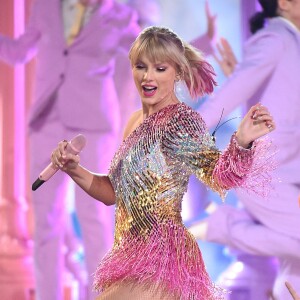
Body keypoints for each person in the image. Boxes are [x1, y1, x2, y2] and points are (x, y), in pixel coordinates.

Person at [50, 26, 276, 299]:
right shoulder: (135, 121)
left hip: (163, 259)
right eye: (141, 66)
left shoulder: (181, 122)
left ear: (177, 72)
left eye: (160, 68)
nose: (147, 76)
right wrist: (73, 168)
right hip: (130, 257)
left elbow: (218, 176)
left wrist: (241, 141)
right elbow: (113, 193)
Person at [0, 0, 140, 299]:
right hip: (47, 123)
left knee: (94, 220)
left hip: (92, 128)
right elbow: (19, 52)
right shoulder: (45, 7)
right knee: (46, 223)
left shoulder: (119, 15)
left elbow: (149, 55)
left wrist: (201, 43)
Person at [190, 0, 300, 299]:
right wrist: (189, 132)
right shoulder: (277, 38)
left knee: (295, 263)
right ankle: (217, 224)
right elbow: (233, 90)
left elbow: (277, 100)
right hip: (263, 172)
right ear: (285, 4)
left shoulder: (291, 40)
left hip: (287, 170)